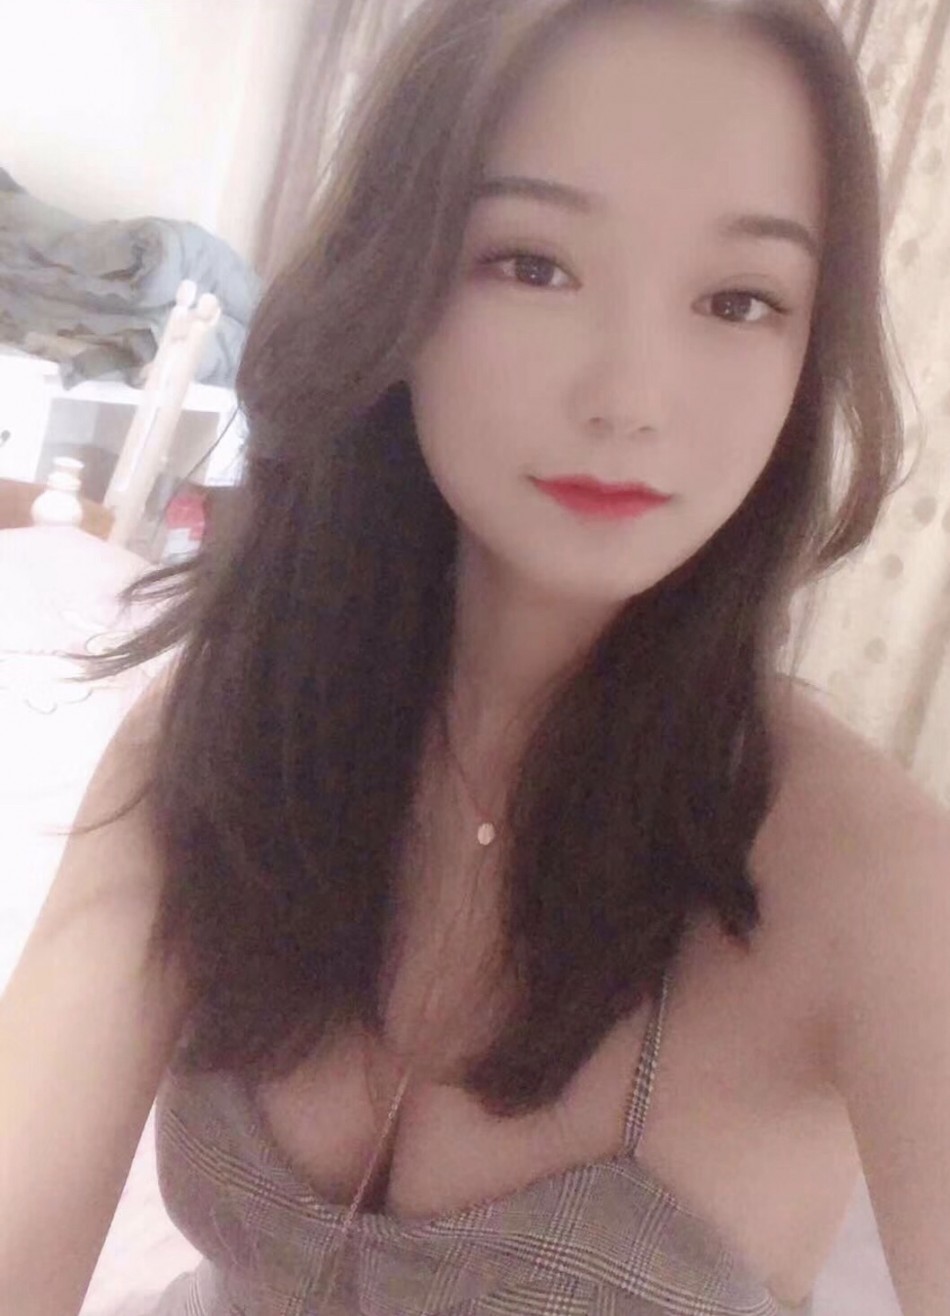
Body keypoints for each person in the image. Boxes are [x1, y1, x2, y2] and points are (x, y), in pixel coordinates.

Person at [3, 0, 949, 1313]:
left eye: (738, 300)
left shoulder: (872, 880)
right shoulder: (233, 728)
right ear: (395, 280)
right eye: (534, 264)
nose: (631, 397)